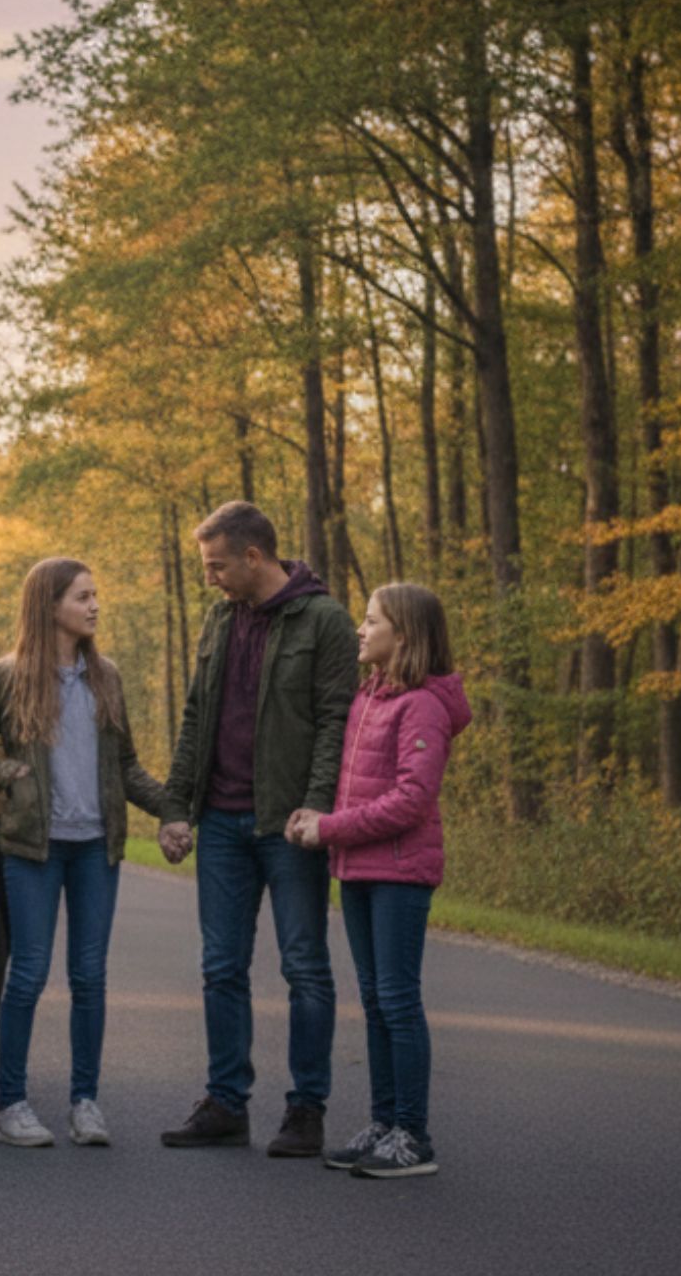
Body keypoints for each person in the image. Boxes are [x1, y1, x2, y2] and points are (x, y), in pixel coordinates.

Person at [0, 557, 187, 1148]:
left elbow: (126, 765)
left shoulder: (105, 676)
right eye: (83, 596)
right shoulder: (7, 677)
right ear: (49, 604)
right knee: (27, 973)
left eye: (95, 595)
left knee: (90, 977)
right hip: (35, 848)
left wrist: (173, 809)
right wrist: (10, 775)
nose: (94, 605)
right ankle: (12, 1106)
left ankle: (85, 1103)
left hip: (95, 850)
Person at [157, 500, 357, 1158]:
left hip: (288, 823)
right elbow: (195, 715)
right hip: (219, 820)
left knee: (305, 967)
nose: (209, 576)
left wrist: (317, 806)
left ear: (252, 557)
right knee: (220, 966)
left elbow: (336, 721)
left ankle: (306, 1111)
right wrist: (177, 804)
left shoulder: (323, 619)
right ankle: (225, 1103)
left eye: (216, 565)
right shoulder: (219, 619)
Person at [285, 582, 467, 1179]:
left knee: (397, 1000)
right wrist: (322, 822)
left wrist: (331, 828)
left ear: (404, 635)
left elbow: (413, 799)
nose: (360, 630)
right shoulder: (371, 696)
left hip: (400, 874)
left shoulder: (422, 706)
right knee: (374, 1001)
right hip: (361, 868)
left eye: (371, 621)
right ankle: (384, 1124)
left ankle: (413, 1136)